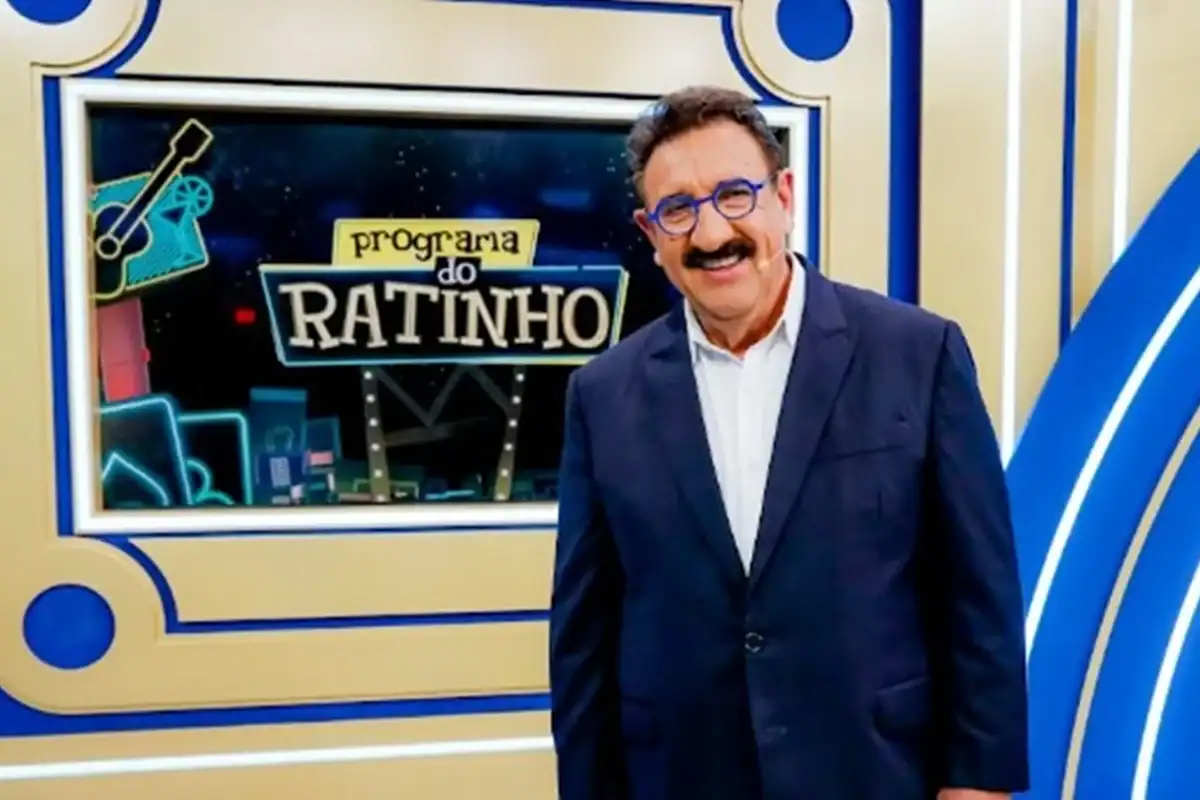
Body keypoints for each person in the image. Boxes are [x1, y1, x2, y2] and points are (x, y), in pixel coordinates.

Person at [549, 86, 1029, 800]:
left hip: (874, 774)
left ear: (784, 196)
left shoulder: (917, 355)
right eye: (678, 209)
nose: (711, 233)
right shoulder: (602, 395)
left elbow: (978, 594)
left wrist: (978, 785)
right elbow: (584, 635)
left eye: (734, 195)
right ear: (651, 233)